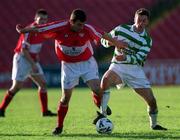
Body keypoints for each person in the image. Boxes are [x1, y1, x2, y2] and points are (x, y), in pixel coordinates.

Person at [18, 9, 128, 135]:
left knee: (98, 89)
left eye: (83, 24)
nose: (82, 27)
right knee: (65, 98)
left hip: (87, 63)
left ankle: (100, 109)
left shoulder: (87, 29)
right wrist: (24, 30)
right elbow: (41, 28)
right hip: (68, 66)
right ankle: (59, 126)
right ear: (71, 22)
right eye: (79, 24)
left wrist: (117, 43)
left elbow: (103, 34)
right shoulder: (60, 27)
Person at [95, 8, 167, 130]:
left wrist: (125, 57)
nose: (141, 23)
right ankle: (103, 115)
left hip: (135, 71)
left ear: (148, 22)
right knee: (105, 80)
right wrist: (114, 43)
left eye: (144, 21)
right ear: (134, 19)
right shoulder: (121, 29)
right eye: (139, 20)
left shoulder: (147, 40)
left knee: (152, 102)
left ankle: (154, 125)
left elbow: (139, 58)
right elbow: (103, 41)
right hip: (118, 66)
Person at [0, 9, 56, 117]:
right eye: (41, 19)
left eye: (45, 19)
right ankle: (1, 109)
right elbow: (23, 50)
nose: (43, 21)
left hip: (32, 59)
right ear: (35, 19)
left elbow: (34, 48)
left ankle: (45, 111)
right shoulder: (29, 30)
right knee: (16, 87)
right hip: (22, 59)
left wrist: (36, 57)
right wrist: (33, 64)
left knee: (43, 84)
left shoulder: (42, 30)